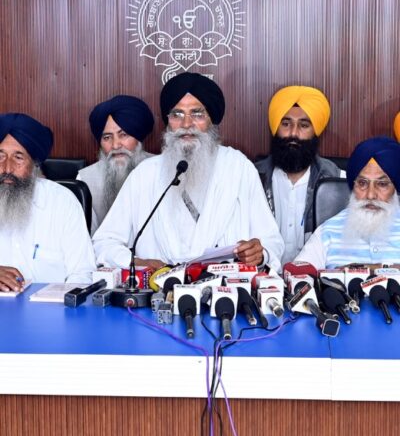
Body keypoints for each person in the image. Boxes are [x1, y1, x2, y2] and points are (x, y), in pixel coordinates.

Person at [93, 72, 284, 271]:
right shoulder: (145, 175)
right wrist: (135, 262)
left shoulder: (238, 168)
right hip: (157, 286)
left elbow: (271, 242)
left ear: (211, 121)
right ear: (168, 121)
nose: (186, 124)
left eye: (197, 114)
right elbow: (104, 243)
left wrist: (259, 254)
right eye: (177, 114)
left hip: (224, 287)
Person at [0, 113, 96, 291]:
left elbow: (83, 273)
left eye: (18, 158)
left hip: (51, 307)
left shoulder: (62, 203)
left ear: (35, 164)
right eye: (0, 156)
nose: (6, 168)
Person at [256, 85, 341, 264]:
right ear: (275, 128)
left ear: (316, 131)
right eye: (286, 124)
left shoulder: (335, 180)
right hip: (261, 275)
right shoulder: (253, 177)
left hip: (316, 276)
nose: (293, 133)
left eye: (304, 125)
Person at [294, 136, 400, 269]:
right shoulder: (327, 233)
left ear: (395, 188)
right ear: (353, 186)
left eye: (382, 184)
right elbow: (296, 275)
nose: (371, 195)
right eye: (362, 183)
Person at [77, 95, 154, 234]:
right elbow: (86, 236)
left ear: (138, 137)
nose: (116, 145)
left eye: (123, 135)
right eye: (107, 137)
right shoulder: (86, 179)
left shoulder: (161, 169)